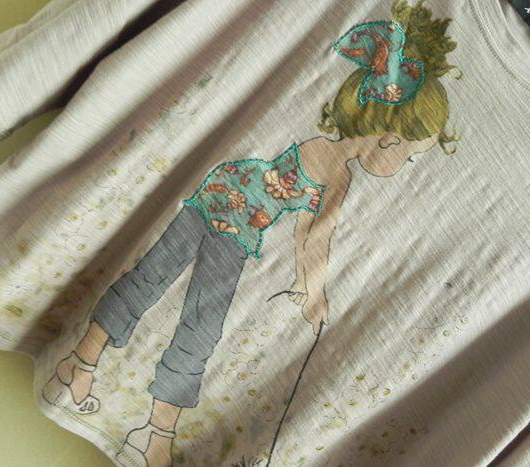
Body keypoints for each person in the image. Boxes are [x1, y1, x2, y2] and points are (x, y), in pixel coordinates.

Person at [43, 4, 458, 465]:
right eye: (410, 156)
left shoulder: (326, 155)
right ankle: (152, 428)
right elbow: (314, 237)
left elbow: (308, 232)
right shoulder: (336, 173)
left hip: (220, 197)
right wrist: (314, 293)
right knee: (198, 320)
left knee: (151, 281)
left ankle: (85, 366)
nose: (405, 165)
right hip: (234, 225)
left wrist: (306, 284)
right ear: (388, 140)